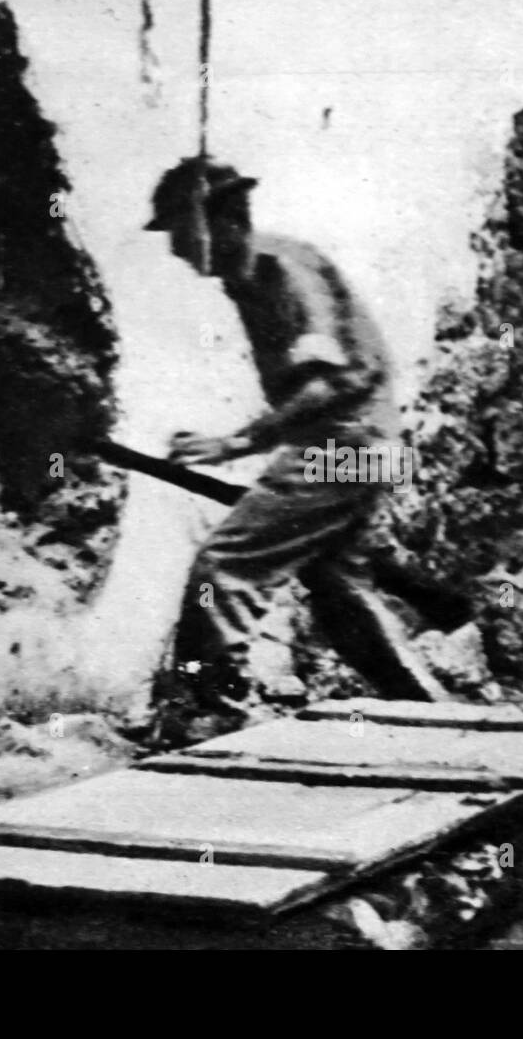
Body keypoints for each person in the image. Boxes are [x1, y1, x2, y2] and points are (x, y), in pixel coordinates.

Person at [142, 157, 447, 745]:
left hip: (344, 447)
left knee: (226, 563)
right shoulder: (251, 275)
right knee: (340, 589)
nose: (178, 249)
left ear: (223, 221)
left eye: (181, 230)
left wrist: (238, 443)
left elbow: (333, 381)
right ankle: (435, 712)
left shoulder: (284, 271)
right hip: (357, 445)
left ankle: (208, 711)